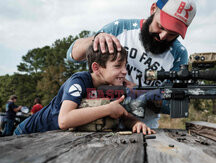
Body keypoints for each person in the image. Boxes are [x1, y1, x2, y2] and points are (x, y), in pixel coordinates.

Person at [66, 0, 197, 128]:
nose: (163, 36)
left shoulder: (179, 54)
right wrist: (95, 39)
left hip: (143, 129)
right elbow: (72, 55)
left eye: (172, 34)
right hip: (99, 124)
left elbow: (172, 105)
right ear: (153, 9)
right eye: (161, 26)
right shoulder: (120, 28)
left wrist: (141, 94)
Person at [13, 42, 155, 135]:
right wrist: (108, 109)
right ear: (96, 68)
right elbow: (64, 120)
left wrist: (136, 123)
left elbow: (121, 113)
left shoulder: (113, 87)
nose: (124, 72)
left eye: (125, 66)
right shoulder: (79, 81)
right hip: (28, 132)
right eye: (118, 66)